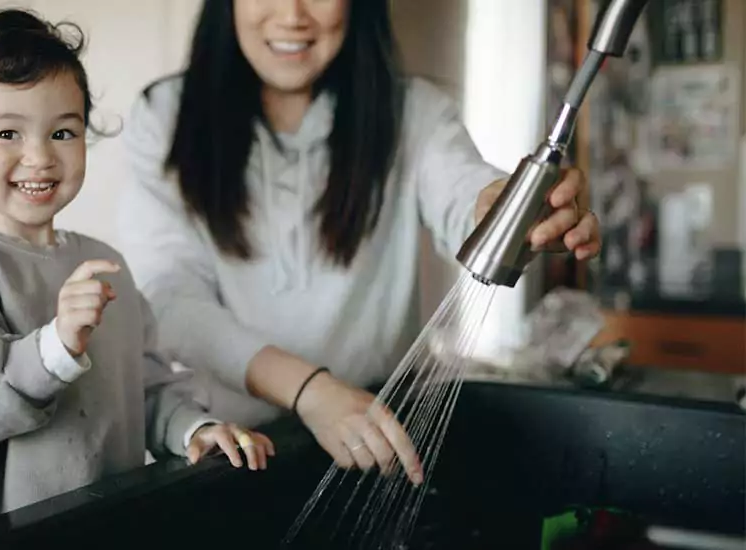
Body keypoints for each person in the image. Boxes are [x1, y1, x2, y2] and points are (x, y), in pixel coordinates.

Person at [117, 0, 601, 484]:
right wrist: (310, 391)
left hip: (377, 441)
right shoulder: (164, 118)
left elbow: (464, 193)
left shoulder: (413, 113)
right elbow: (169, 299)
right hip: (233, 453)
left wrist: (515, 212)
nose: (292, 15)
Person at [0, 9, 274, 544]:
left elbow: (146, 382)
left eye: (62, 131)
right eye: (6, 133)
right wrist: (54, 347)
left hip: (99, 522)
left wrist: (192, 428)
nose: (40, 156)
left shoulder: (103, 260)